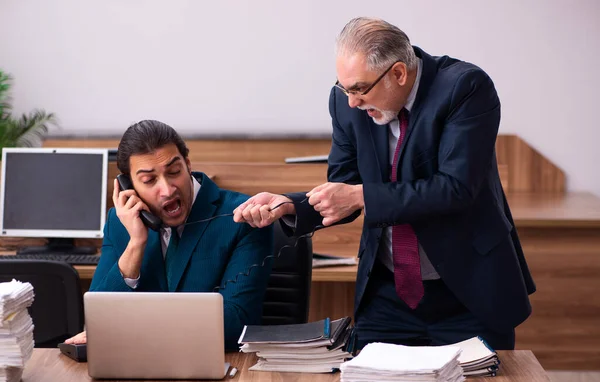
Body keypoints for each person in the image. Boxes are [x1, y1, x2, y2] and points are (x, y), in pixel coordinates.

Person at [233, 17, 536, 350]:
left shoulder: (465, 88)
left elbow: (455, 188)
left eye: (360, 89)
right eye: (344, 87)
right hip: (388, 295)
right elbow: (345, 188)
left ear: (398, 74)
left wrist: (360, 195)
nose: (352, 101)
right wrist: (290, 206)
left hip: (468, 292)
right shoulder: (346, 105)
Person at [66, 120, 273, 350]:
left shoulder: (243, 216)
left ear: (187, 164)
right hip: (139, 370)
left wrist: (132, 326)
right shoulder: (119, 221)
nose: (167, 189)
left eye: (174, 172)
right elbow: (98, 319)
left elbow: (238, 323)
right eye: (149, 180)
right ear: (128, 185)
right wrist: (136, 243)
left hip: (220, 367)